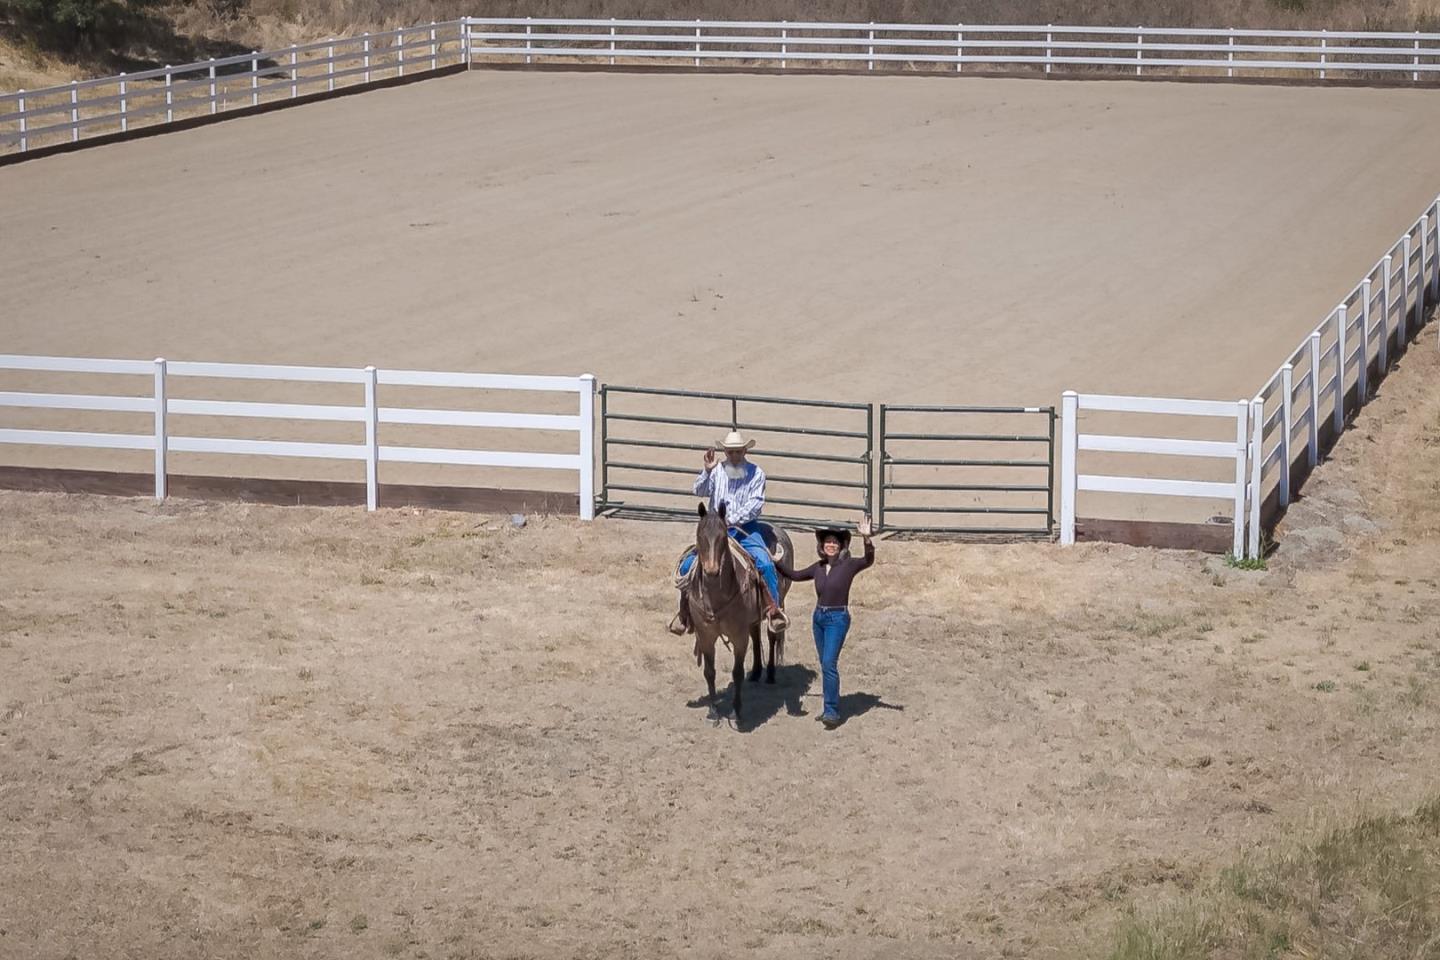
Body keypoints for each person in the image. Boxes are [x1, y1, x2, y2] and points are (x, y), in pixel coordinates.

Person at [670, 430, 785, 634]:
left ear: (744, 451)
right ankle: (685, 611)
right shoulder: (716, 471)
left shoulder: (756, 474)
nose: (734, 456)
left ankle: (773, 610)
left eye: (738, 452)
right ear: (725, 452)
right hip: (715, 531)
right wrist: (706, 471)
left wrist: (731, 520)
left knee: (765, 563)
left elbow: (755, 505)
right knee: (688, 565)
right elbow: (699, 490)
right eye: (730, 452)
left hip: (745, 528)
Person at [776, 516, 876, 730]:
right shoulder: (819, 567)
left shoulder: (849, 565)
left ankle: (831, 711)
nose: (831, 545)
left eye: (835, 542)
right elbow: (794, 574)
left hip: (837, 619)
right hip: (819, 618)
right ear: (822, 546)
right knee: (825, 665)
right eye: (827, 542)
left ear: (841, 546)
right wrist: (774, 561)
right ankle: (828, 707)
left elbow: (868, 560)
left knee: (829, 663)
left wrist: (866, 538)